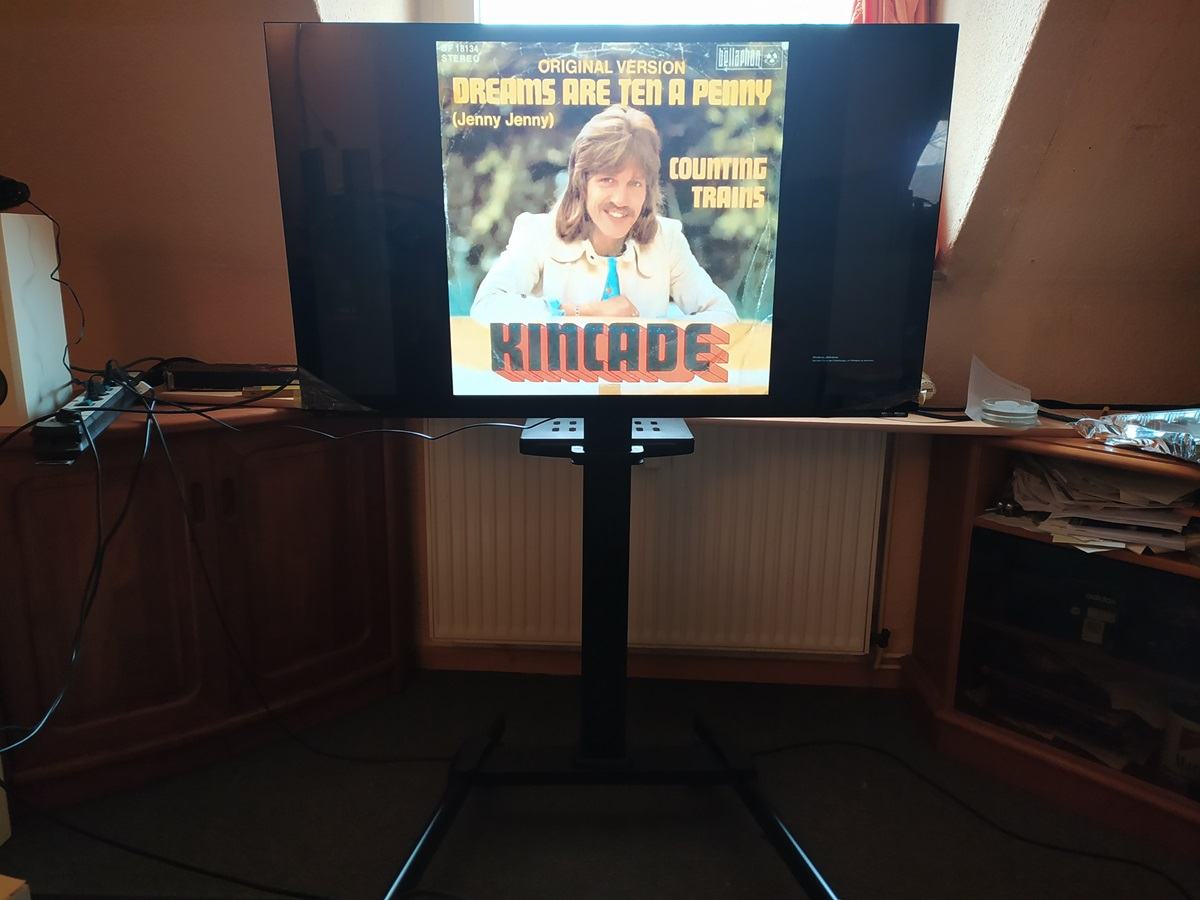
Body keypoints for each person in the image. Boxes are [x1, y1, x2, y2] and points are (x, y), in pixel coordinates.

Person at [469, 105, 738, 324]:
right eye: (607, 180)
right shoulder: (537, 233)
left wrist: (653, 335)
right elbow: (486, 307)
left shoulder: (666, 239)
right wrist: (585, 312)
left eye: (635, 183)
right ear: (581, 182)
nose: (621, 200)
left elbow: (725, 316)